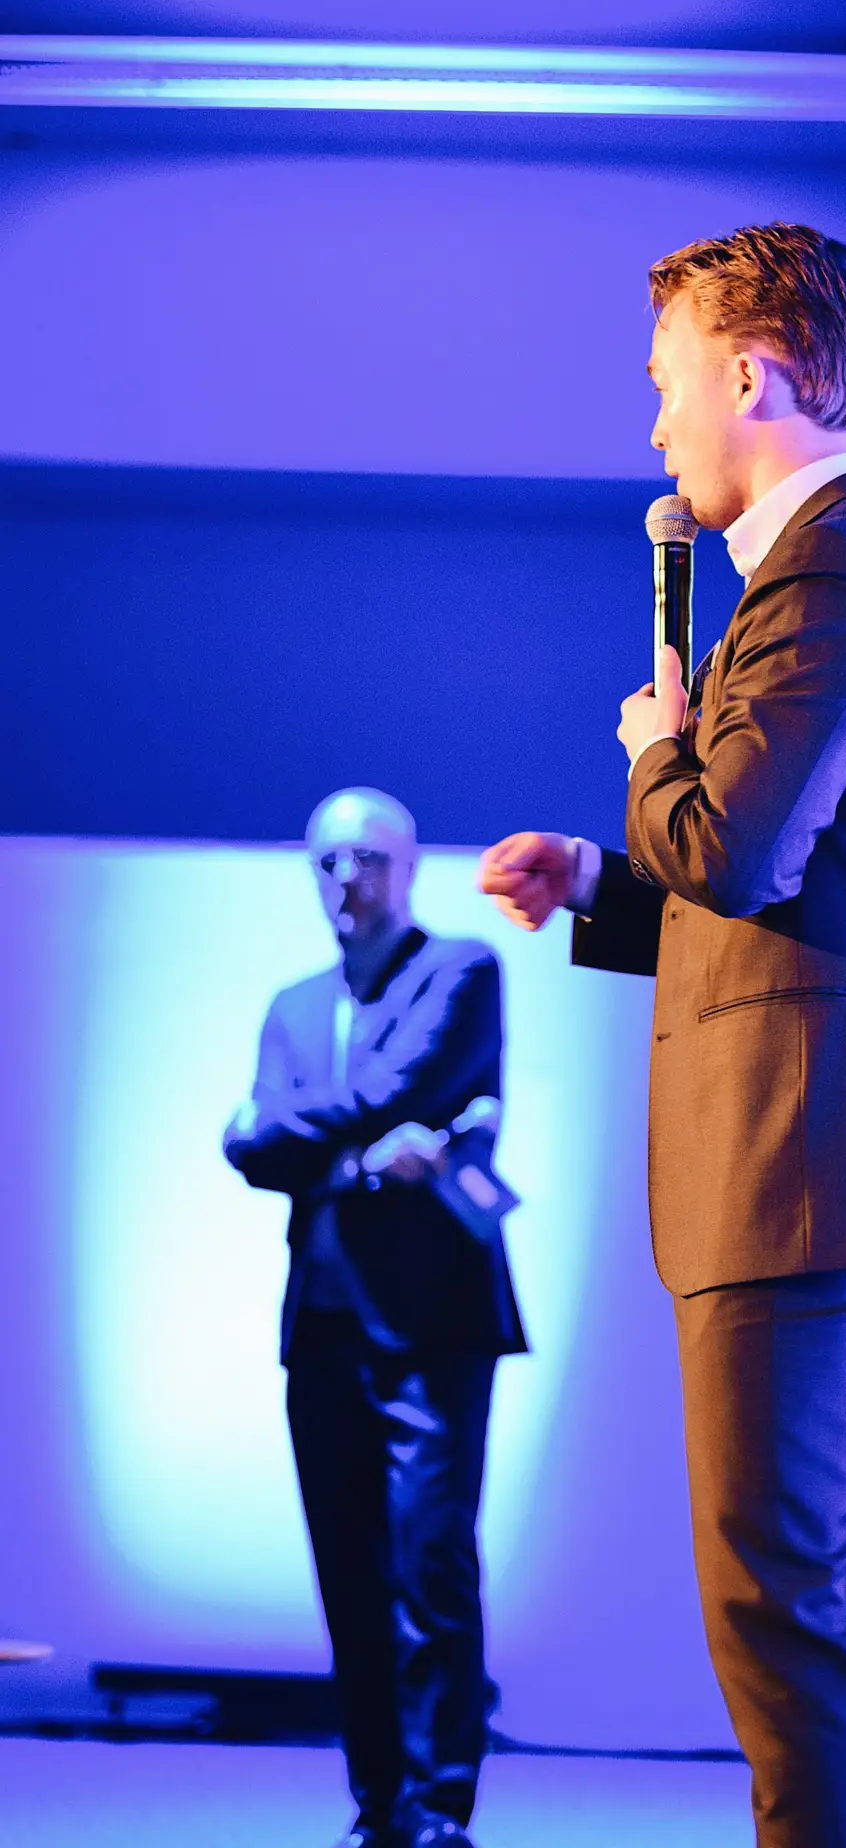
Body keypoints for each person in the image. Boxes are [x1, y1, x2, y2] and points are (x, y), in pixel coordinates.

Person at [478, 223, 846, 1848]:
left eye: (666, 384)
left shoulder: (828, 570)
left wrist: (653, 748)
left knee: (781, 1611)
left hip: (800, 1181)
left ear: (753, 374)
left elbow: (736, 848)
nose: (656, 428)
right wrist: (598, 882)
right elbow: (800, 889)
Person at [225, 788, 525, 1848]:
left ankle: (438, 1813)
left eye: (367, 858)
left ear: (408, 868)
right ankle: (377, 1809)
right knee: (348, 1579)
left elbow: (394, 1084)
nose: (346, 878)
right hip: (323, 1326)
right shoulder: (293, 1005)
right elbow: (250, 1151)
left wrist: (292, 1136)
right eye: (327, 860)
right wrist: (354, 1156)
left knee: (430, 1568)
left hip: (435, 1325)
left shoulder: (462, 970)